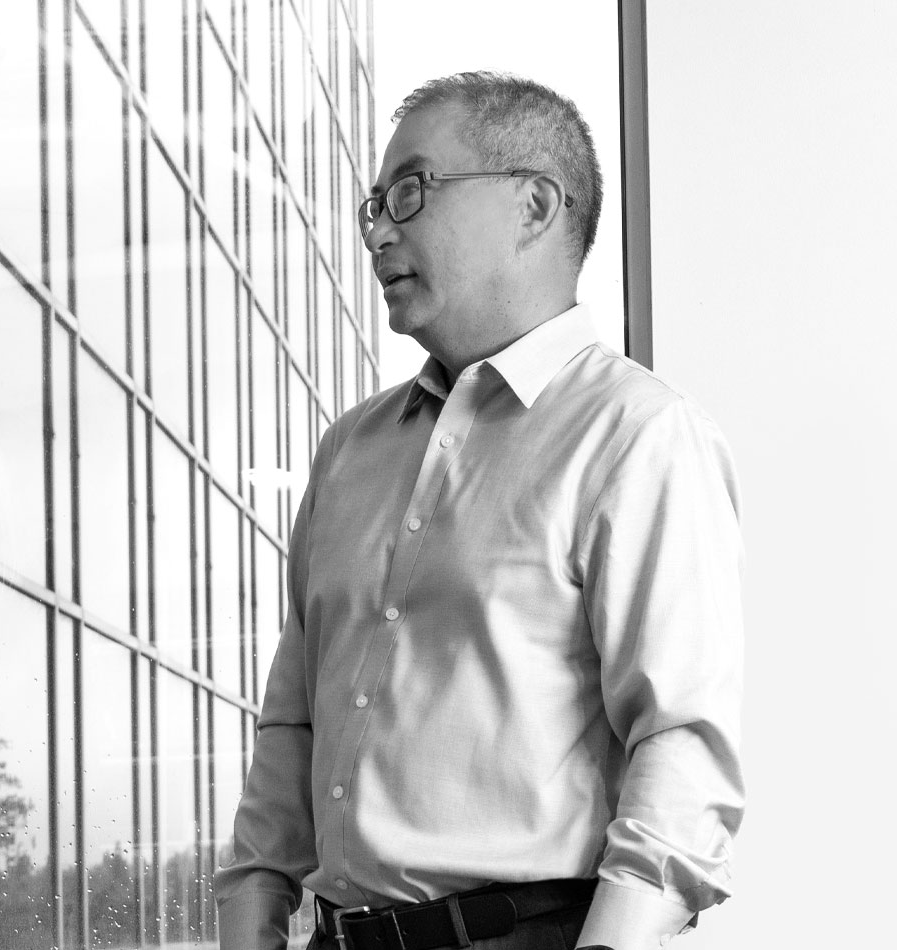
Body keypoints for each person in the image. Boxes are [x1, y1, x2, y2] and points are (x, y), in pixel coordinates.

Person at [216, 72, 743, 950]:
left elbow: (681, 746)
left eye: (411, 191)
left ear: (534, 205)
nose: (379, 230)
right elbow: (293, 724)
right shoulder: (350, 450)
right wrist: (248, 928)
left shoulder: (639, 437)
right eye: (374, 204)